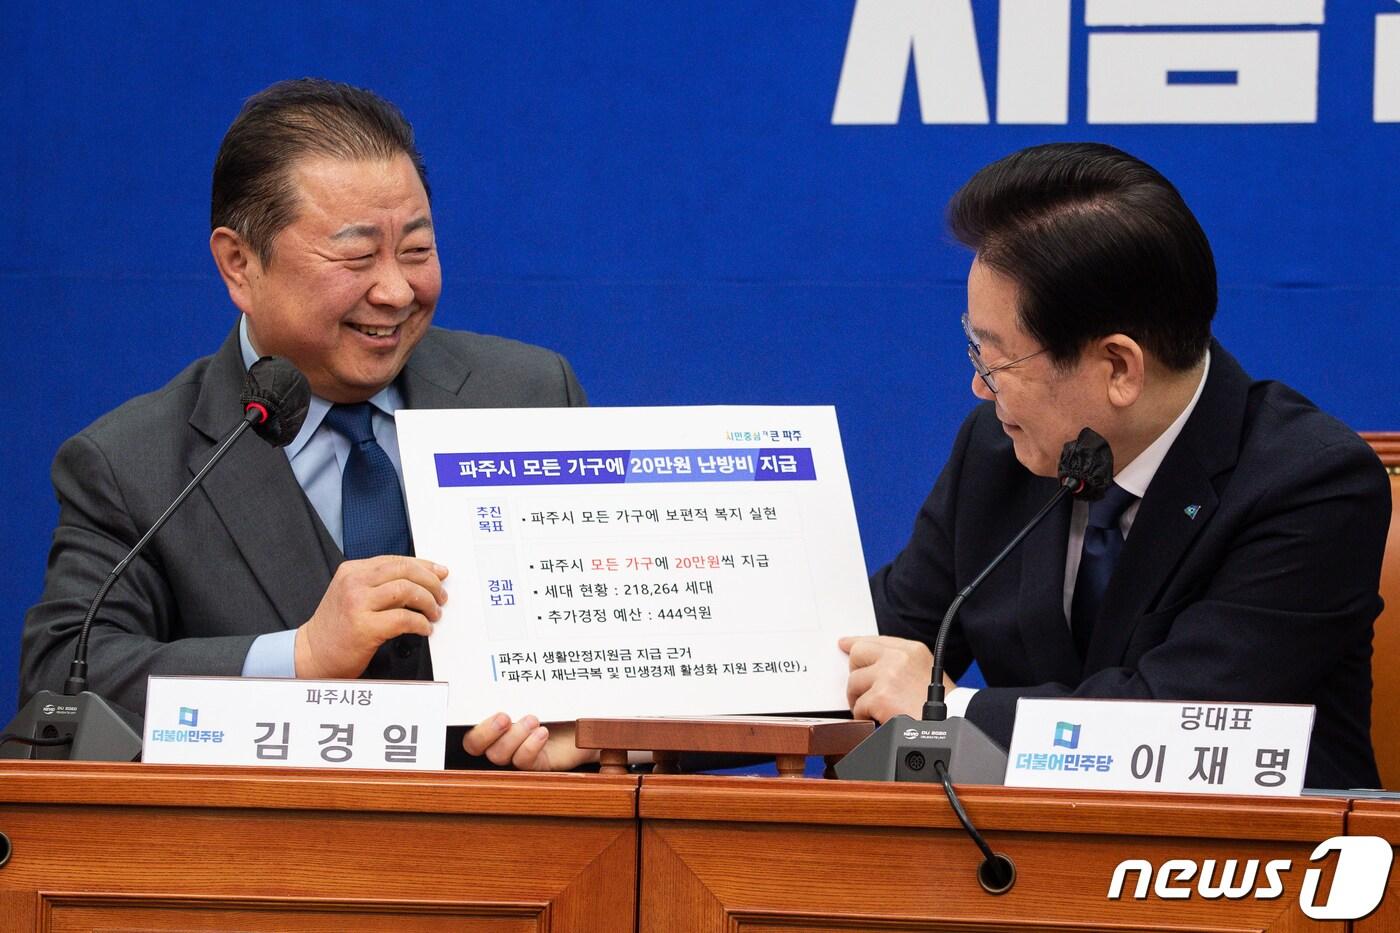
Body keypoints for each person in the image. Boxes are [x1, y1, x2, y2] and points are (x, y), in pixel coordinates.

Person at [20, 78, 596, 771]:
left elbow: (660, 653)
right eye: (356, 257)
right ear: (239, 263)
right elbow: (67, 679)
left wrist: (596, 733)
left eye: (416, 251)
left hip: (514, 835)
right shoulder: (132, 465)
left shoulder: (528, 397)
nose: (396, 290)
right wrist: (299, 657)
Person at [842, 143, 1389, 789]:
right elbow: (880, 644)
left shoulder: (1310, 484)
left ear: (1119, 367)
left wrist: (951, 711)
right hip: (1016, 842)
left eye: (997, 360)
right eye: (975, 351)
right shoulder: (998, 451)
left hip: (1242, 846)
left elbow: (1180, 721)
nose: (980, 388)